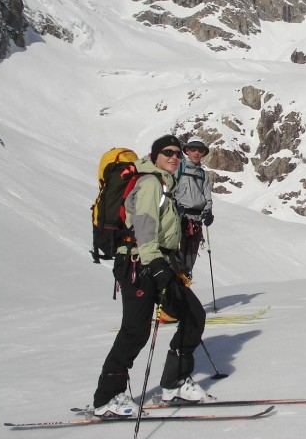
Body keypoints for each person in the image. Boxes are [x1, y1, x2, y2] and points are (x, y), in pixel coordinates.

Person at [92, 135, 211, 417]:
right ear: (154, 155)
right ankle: (107, 398)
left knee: (193, 314)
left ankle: (174, 383)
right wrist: (153, 263)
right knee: (135, 330)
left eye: (178, 154)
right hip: (139, 263)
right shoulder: (150, 183)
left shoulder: (165, 185)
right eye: (167, 152)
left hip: (156, 261)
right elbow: (144, 225)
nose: (174, 157)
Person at [174, 136, 215, 279]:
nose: (197, 153)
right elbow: (170, 190)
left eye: (200, 150)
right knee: (177, 259)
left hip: (196, 221)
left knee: (189, 261)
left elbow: (207, 197)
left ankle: (184, 289)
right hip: (180, 219)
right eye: (193, 149)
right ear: (187, 151)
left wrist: (207, 212)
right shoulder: (178, 168)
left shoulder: (203, 174)